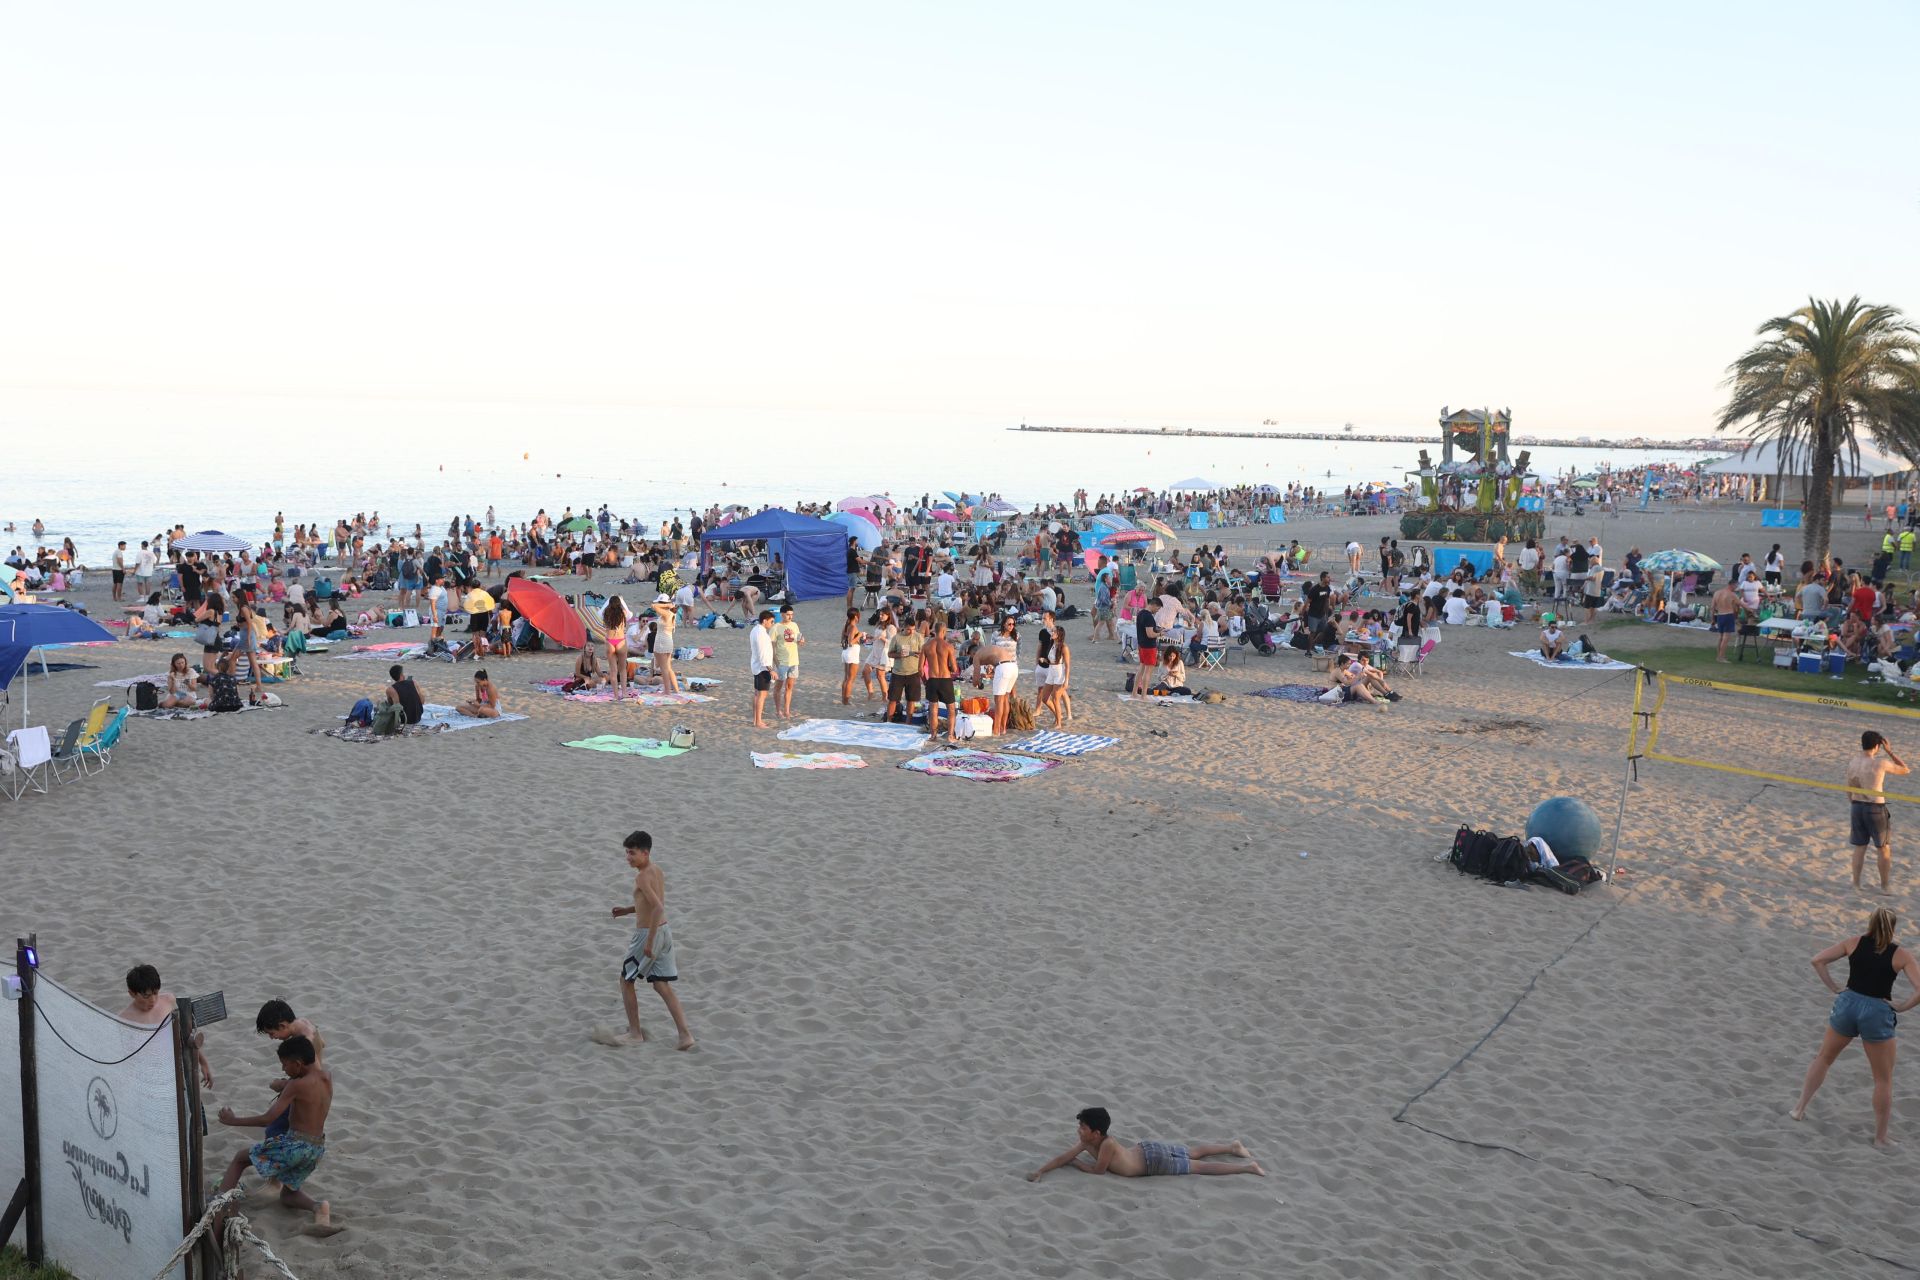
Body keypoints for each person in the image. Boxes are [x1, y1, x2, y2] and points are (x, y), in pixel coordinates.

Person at [1793, 908, 1920, 1149]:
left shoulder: (1853, 942)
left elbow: (1817, 959)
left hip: (1847, 1004)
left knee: (1824, 1058)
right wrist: (1902, 1007)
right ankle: (1880, 1137)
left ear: (1870, 923)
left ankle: (1799, 1109)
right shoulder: (1901, 955)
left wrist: (1834, 987)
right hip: (1877, 1011)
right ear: (1893, 927)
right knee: (1883, 1079)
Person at [214, 1035, 339, 1235]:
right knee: (288, 1196)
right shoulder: (327, 1077)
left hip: (295, 1146)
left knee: (240, 1158)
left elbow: (267, 1119)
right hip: (316, 1149)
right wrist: (283, 1085)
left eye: (285, 1065)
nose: (283, 1069)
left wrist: (233, 1120)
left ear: (298, 1064)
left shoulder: (295, 1086)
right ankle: (318, 1207)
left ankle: (219, 1205)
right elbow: (307, 1090)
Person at [596, 830, 696, 1051]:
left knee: (626, 980)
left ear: (645, 852)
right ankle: (685, 1036)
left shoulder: (641, 876)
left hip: (647, 934)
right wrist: (627, 910)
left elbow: (658, 907)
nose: (628, 857)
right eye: (626, 853)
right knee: (661, 985)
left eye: (632, 853)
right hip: (665, 931)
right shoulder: (656, 871)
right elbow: (652, 903)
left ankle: (635, 1033)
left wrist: (649, 941)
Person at [1028, 1106, 1262, 1180]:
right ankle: (1233, 1147)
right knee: (1194, 1152)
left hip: (1151, 1162)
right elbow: (1062, 1157)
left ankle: (1247, 1168)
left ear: (1096, 1132)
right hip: (1145, 1149)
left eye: (1083, 1128)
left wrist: (1076, 1163)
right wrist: (1041, 1171)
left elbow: (1097, 1171)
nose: (1079, 1131)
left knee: (1198, 1166)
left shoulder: (1106, 1145)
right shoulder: (1091, 1142)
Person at [121, 964, 213, 1087]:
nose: (153, 1000)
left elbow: (186, 1035)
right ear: (132, 993)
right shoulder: (124, 1019)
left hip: (175, 1071)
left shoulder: (168, 1001)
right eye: (146, 996)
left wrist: (203, 1063)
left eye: (155, 993)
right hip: (146, 1078)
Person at [1848, 731, 1911, 893]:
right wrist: (1890, 751)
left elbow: (1849, 786)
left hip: (1856, 806)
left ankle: (1856, 885)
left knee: (1860, 847)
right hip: (1875, 808)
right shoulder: (1880, 763)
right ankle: (1885, 886)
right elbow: (1905, 769)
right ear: (1877, 746)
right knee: (1883, 848)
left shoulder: (1853, 761)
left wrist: (1853, 802)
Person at [922, 617, 961, 741]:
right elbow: (955, 668)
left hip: (932, 680)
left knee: (933, 709)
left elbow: (920, 669)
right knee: (951, 709)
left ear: (934, 630)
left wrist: (925, 681)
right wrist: (950, 669)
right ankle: (950, 735)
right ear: (944, 631)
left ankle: (933, 735)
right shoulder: (949, 646)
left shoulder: (926, 646)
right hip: (945, 679)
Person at [884, 611, 925, 724]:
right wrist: (899, 655)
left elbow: (924, 652)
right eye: (908, 629)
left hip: (913, 672)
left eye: (913, 629)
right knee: (893, 699)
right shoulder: (896, 638)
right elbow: (890, 654)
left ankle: (908, 722)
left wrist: (919, 654)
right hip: (898, 672)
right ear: (903, 627)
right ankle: (889, 721)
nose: (911, 632)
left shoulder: (918, 637)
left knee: (911, 699)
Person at [749, 609, 776, 728]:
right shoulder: (761, 634)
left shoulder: (756, 630)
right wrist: (771, 670)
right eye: (771, 621)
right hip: (762, 668)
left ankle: (756, 720)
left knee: (757, 694)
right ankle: (758, 721)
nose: (772, 624)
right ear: (764, 621)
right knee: (762, 695)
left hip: (757, 666)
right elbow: (763, 654)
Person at [651, 593, 680, 694]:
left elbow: (654, 606)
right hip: (667, 640)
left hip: (662, 641)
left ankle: (667, 690)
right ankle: (676, 689)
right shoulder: (671, 613)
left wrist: (667, 605)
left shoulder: (667, 613)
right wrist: (668, 605)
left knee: (664, 668)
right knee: (668, 667)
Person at [603, 595, 630, 693]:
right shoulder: (623, 613)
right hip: (620, 640)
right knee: (622, 670)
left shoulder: (606, 613)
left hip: (610, 641)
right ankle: (624, 693)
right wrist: (622, 600)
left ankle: (615, 695)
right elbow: (629, 612)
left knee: (613, 670)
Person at [1711, 580, 1741, 662]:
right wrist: (1750, 610)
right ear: (1731, 585)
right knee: (1725, 638)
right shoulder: (1732, 594)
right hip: (1728, 615)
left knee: (1720, 637)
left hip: (1720, 615)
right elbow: (1740, 604)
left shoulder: (1717, 593)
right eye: (1736, 586)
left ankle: (1719, 656)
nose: (1736, 588)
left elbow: (1712, 607)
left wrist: (1712, 619)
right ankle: (1721, 657)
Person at [839, 607, 864, 706]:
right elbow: (850, 642)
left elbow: (842, 640)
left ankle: (843, 699)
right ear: (855, 616)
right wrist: (859, 635)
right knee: (850, 679)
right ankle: (846, 701)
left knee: (846, 677)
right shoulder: (853, 627)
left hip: (845, 653)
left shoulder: (846, 625)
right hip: (852, 653)